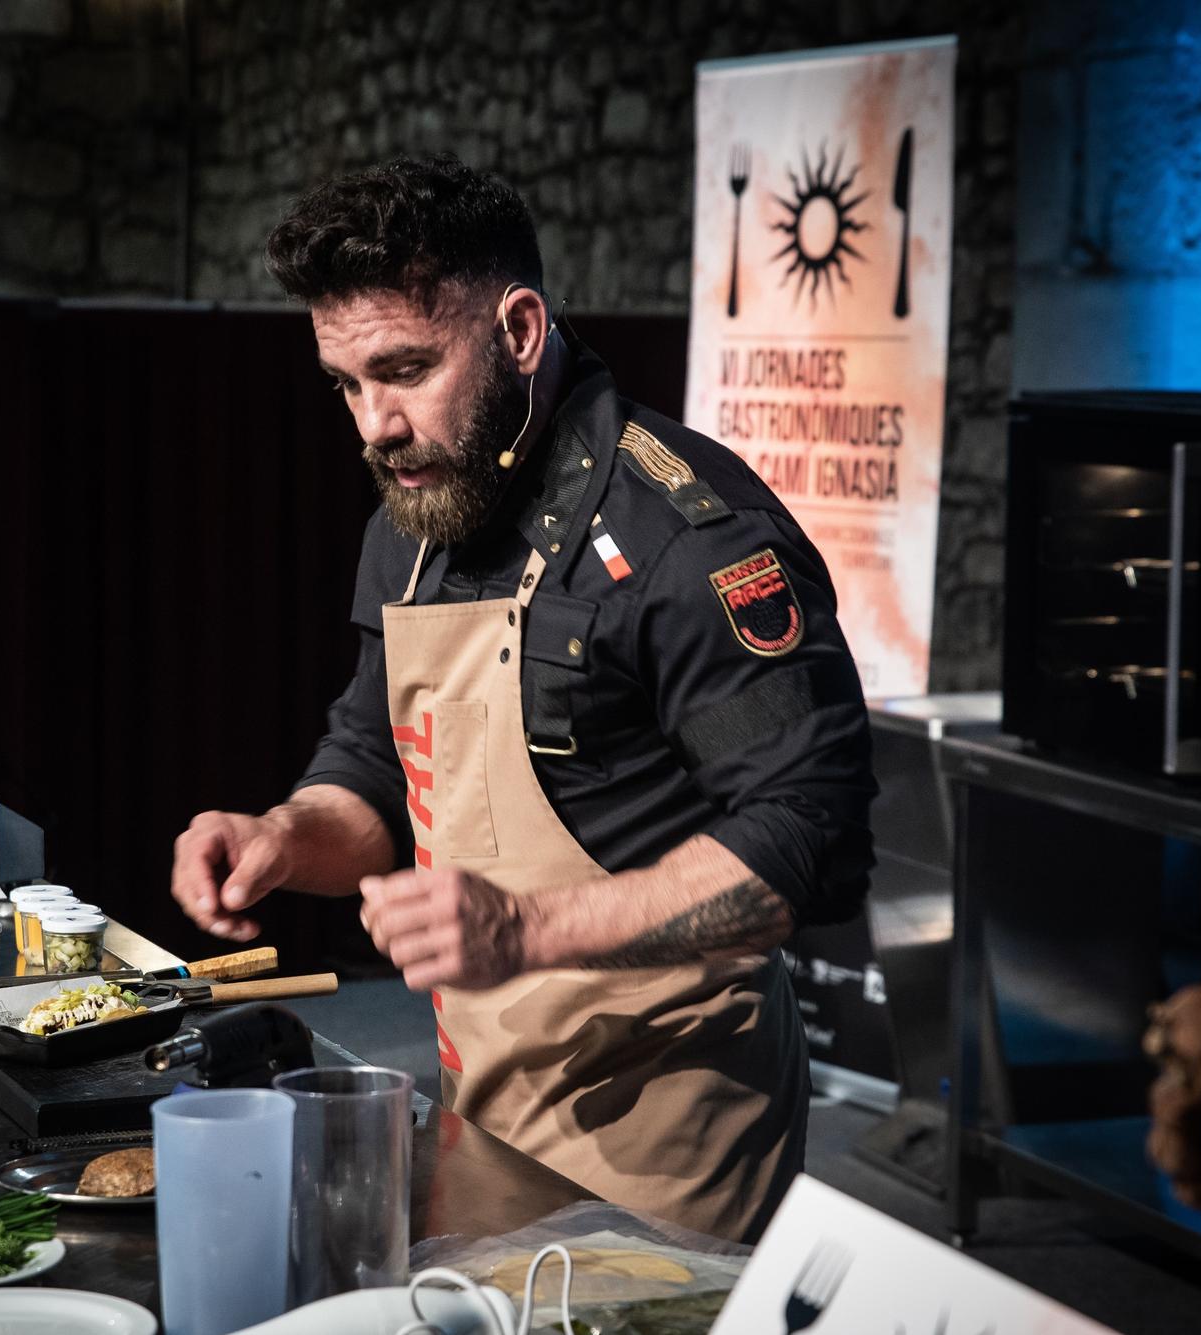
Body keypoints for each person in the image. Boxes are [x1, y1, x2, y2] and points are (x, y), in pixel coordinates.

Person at [171, 157, 876, 1243]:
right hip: (488, 1109)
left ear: (519, 331)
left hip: (668, 1141)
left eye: (405, 370)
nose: (373, 425)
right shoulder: (414, 522)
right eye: (346, 384)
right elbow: (377, 762)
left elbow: (811, 838)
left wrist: (526, 927)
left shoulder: (686, 539)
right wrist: (284, 834)